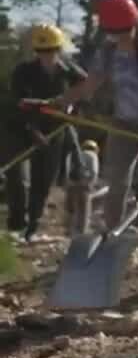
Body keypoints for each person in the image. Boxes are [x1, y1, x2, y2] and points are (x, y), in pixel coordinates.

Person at [53, 0, 138, 232]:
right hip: (124, 124)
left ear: (135, 23)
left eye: (124, 30)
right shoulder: (108, 53)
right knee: (117, 181)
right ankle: (113, 233)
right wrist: (63, 100)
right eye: (113, 31)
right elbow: (90, 84)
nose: (119, 37)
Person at [8, 23, 86, 242]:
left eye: (51, 50)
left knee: (43, 182)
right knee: (18, 178)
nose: (47, 55)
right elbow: (17, 104)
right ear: (36, 52)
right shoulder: (23, 72)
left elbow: (86, 86)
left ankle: (32, 227)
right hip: (21, 130)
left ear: (59, 50)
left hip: (54, 131)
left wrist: (72, 105)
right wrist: (33, 130)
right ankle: (16, 226)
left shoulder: (69, 70)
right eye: (42, 51)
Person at [64, 139, 100, 234]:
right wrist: (91, 184)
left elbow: (67, 170)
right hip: (84, 185)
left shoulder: (72, 154)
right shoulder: (93, 156)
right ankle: (82, 232)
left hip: (71, 184)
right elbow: (94, 172)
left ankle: (68, 230)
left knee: (70, 209)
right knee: (84, 210)